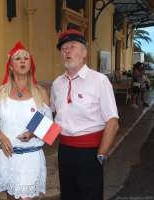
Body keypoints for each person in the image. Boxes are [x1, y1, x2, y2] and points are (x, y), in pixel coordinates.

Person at [50, 29, 119, 200]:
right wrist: (31, 134)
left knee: (90, 196)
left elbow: (113, 122)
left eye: (72, 46)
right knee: (68, 195)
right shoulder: (57, 83)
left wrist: (101, 155)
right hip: (65, 150)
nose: (67, 51)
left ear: (84, 53)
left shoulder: (99, 80)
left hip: (90, 152)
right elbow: (51, 115)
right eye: (63, 48)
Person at [0, 41, 51, 200]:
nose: (22, 61)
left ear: (31, 64)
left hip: (30, 157)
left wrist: (31, 133)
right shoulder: (0, 92)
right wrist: (1, 136)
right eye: (18, 58)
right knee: (11, 196)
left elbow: (48, 126)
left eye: (26, 58)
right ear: (10, 66)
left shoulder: (40, 93)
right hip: (6, 155)